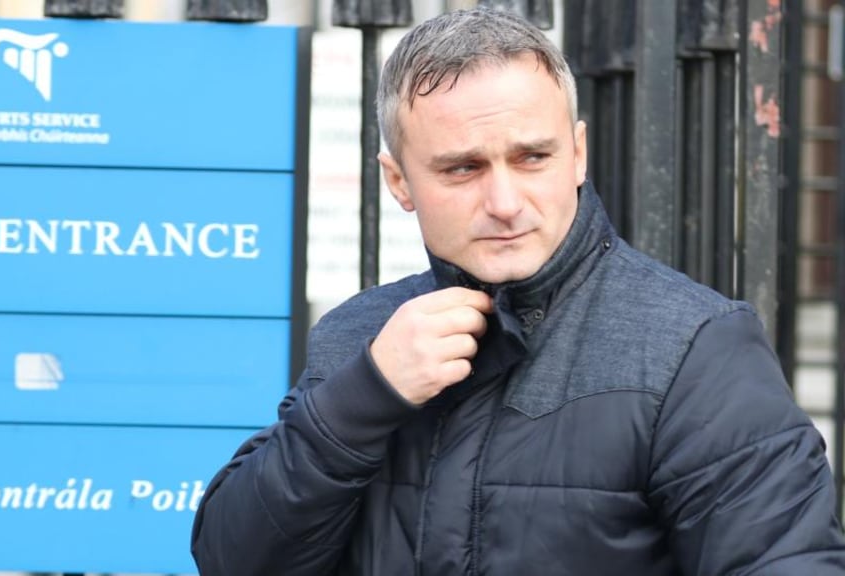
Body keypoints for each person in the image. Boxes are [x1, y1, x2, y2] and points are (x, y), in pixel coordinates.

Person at [191, 6, 845, 575]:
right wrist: (360, 400)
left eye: (532, 157)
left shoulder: (695, 349)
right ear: (398, 182)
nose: (505, 202)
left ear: (578, 154)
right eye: (463, 168)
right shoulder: (359, 337)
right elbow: (233, 558)